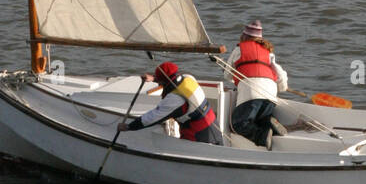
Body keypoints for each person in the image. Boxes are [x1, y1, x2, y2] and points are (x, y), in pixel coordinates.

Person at [118, 62, 224, 145]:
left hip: (198, 134)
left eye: (160, 82)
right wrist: (154, 79)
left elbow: (152, 118)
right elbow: (170, 80)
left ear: (164, 82)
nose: (159, 84)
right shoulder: (188, 78)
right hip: (214, 124)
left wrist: (128, 127)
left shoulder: (175, 99)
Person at [228, 20, 288, 149]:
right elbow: (280, 74)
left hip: (251, 93)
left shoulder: (238, 49)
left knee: (239, 124)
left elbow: (227, 74)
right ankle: (269, 122)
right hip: (271, 94)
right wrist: (283, 88)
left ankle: (262, 135)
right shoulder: (268, 52)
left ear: (244, 36)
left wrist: (237, 81)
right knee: (259, 119)